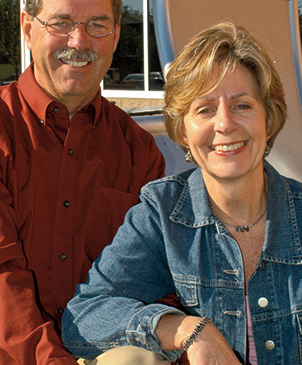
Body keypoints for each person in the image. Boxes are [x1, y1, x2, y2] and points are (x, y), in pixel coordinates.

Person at [62, 20, 302, 365]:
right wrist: (187, 329)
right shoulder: (164, 213)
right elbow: (84, 318)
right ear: (183, 130)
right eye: (204, 109)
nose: (224, 124)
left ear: (269, 117)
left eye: (242, 105)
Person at [0, 0, 165, 364]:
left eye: (97, 25)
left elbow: (151, 278)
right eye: (61, 23)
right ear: (27, 28)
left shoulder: (138, 151)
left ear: (114, 36)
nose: (79, 42)